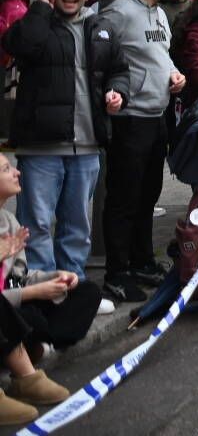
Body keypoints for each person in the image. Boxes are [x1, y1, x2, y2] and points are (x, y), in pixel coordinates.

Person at [0, 0, 128, 282]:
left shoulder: (101, 28)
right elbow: (18, 46)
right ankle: (41, 288)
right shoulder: (38, 23)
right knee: (38, 224)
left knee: (76, 225)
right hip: (41, 145)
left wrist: (117, 92)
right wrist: (40, 12)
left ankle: (73, 287)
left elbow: (119, 70)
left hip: (86, 145)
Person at [98, 0, 187, 304]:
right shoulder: (118, 13)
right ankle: (116, 273)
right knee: (123, 197)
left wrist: (173, 75)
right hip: (130, 118)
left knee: (148, 194)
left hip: (157, 114)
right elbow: (101, 60)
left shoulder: (159, 14)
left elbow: (158, 55)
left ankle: (142, 260)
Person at [0, 154, 95, 423]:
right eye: (7, 169)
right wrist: (32, 294)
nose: (17, 173)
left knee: (85, 292)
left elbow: (20, 277)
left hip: (13, 305)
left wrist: (54, 278)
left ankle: (32, 345)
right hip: (8, 308)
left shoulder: (9, 221)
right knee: (24, 315)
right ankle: (26, 369)